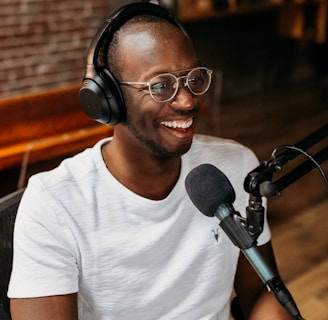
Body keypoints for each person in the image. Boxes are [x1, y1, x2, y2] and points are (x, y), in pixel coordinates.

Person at [8, 2, 295, 319]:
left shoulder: (235, 165)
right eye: (161, 85)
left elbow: (257, 294)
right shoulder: (53, 204)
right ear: (110, 99)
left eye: (193, 79)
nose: (187, 100)